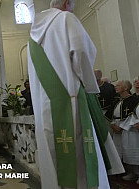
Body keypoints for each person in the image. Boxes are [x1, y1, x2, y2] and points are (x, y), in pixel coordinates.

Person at [27, 0, 123, 188]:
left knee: (54, 158)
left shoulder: (32, 36)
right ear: (67, 3)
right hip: (70, 100)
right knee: (80, 163)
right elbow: (80, 52)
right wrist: (89, 84)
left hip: (46, 106)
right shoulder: (66, 18)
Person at [105, 80, 139, 181]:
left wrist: (122, 126)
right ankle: (131, 172)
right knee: (122, 151)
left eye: (118, 85)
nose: (115, 87)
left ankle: (137, 172)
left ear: (126, 88)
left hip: (130, 129)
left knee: (132, 150)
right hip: (117, 129)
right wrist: (112, 125)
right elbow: (111, 115)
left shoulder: (133, 100)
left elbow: (133, 116)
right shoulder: (116, 101)